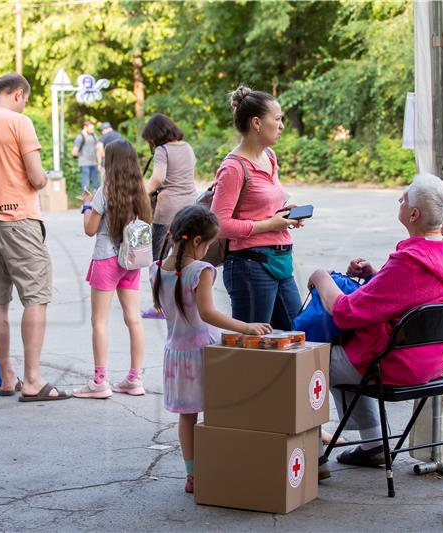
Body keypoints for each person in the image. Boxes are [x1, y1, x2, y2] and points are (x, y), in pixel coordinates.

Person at [309, 173, 443, 467]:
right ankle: (373, 446)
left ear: (413, 214)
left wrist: (321, 278)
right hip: (433, 363)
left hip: (393, 365)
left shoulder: (408, 262)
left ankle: (312, 456)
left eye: (404, 196)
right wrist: (374, 276)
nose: (399, 198)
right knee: (338, 356)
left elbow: (345, 312)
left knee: (311, 359)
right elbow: (411, 298)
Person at [0, 73, 68, 402]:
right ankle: (33, 379)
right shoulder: (19, 123)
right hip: (20, 220)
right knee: (35, 297)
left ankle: (8, 376)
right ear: (19, 94)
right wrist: (41, 177)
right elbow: (36, 178)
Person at [151, 204, 272, 493]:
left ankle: (192, 475)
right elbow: (206, 313)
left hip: (176, 354)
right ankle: (223, 466)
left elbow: (164, 308)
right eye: (209, 243)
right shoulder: (201, 270)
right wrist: (245, 327)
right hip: (205, 353)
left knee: (187, 416)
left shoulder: (156, 269)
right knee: (219, 412)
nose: (209, 250)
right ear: (196, 241)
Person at [210, 85, 303, 331]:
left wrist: (284, 214)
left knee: (298, 334)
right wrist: (268, 225)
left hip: (281, 261)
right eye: (278, 119)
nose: (282, 126)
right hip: (249, 267)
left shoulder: (269, 156)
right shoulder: (233, 167)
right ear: (257, 123)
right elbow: (219, 224)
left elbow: (264, 205)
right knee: (253, 347)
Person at [74, 139, 152, 399]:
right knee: (134, 318)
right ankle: (135, 378)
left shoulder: (104, 191)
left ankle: (100, 381)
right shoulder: (140, 191)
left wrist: (86, 206)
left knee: (100, 321)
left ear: (109, 162)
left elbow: (90, 229)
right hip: (132, 259)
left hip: (106, 259)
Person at [141, 113, 198, 319]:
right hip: (190, 209)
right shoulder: (187, 147)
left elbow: (157, 178)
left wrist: (141, 194)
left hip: (167, 211)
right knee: (184, 257)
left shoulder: (162, 150)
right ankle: (186, 302)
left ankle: (160, 307)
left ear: (156, 135)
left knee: (159, 259)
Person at [72, 120, 100, 192]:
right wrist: (82, 155)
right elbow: (74, 152)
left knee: (96, 184)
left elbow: (98, 147)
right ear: (85, 127)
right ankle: (85, 200)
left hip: (94, 163)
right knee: (85, 184)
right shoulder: (80, 137)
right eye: (91, 128)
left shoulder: (94, 135)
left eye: (93, 128)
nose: (92, 130)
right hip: (84, 163)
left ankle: (96, 201)